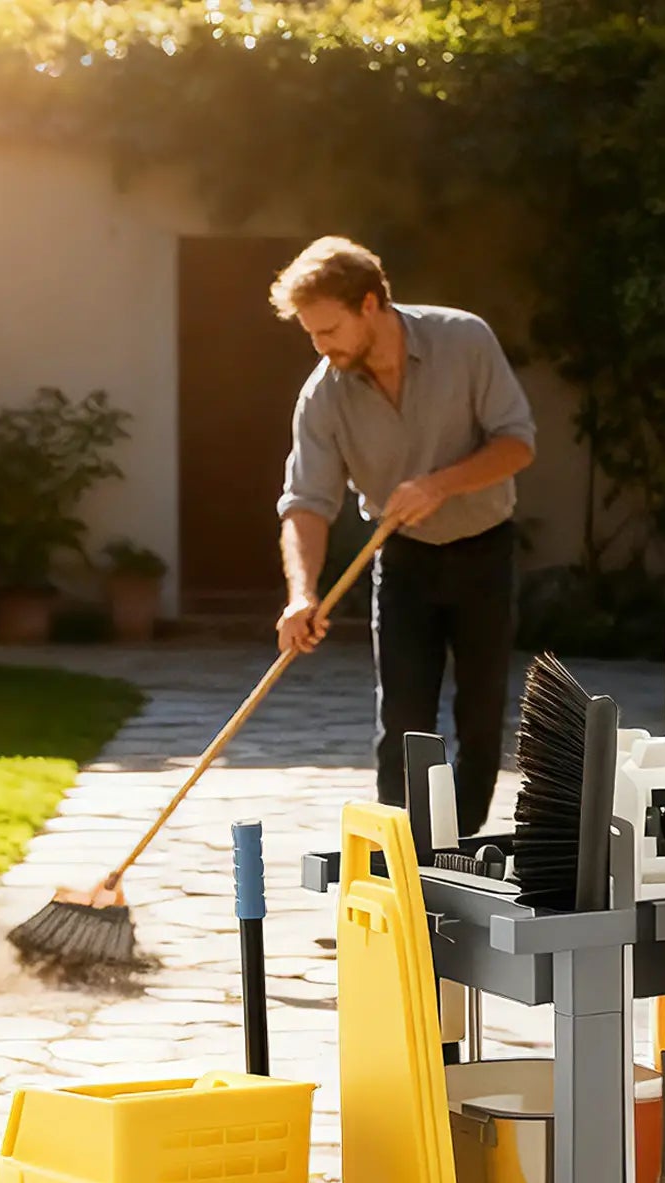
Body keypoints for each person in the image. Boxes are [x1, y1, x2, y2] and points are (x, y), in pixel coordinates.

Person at [272, 236, 535, 835]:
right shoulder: (323, 395)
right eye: (312, 334)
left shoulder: (464, 340)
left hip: (484, 550)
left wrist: (440, 485)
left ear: (369, 304)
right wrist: (302, 594)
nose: (320, 346)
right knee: (403, 721)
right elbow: (306, 502)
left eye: (328, 330)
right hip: (404, 563)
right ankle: (405, 857)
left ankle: (460, 844)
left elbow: (517, 444)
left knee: (480, 716)